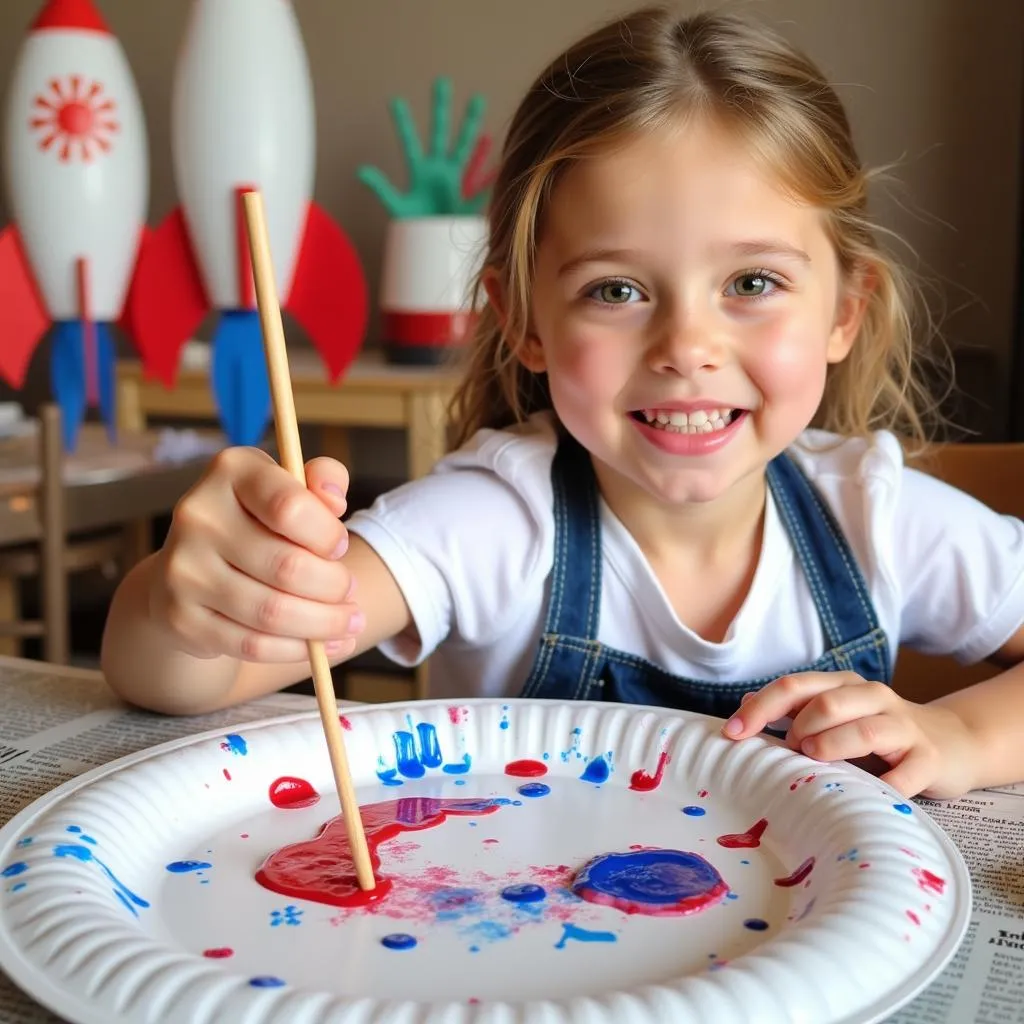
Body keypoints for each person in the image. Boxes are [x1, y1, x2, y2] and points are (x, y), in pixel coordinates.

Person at [101, 6, 1024, 801]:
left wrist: (967, 738)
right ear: (525, 322)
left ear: (844, 311)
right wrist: (186, 610)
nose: (688, 349)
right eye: (616, 291)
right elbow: (182, 680)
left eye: (752, 280)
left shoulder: (877, 518)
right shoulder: (495, 521)